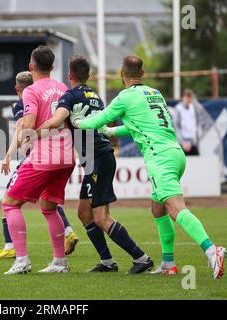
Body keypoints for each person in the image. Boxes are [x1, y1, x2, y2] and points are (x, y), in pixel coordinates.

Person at [70, 55, 227, 279]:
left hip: (159, 158)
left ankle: (212, 250)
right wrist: (113, 132)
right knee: (158, 208)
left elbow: (97, 120)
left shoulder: (124, 97)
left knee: (175, 208)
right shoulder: (155, 93)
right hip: (175, 153)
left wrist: (78, 123)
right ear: (142, 74)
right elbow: (141, 125)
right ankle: (168, 264)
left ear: (122, 75)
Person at [37, 55, 154, 274]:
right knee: (84, 213)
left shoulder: (70, 96)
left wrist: (32, 134)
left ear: (69, 75)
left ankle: (141, 257)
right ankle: (107, 262)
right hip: (97, 158)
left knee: (101, 217)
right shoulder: (95, 96)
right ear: (88, 76)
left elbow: (55, 120)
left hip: (98, 159)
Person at [1, 46, 75, 275]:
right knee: (49, 207)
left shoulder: (30, 91)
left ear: (31, 67)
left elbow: (29, 123)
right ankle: (59, 263)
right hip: (67, 156)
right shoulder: (63, 87)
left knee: (9, 203)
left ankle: (22, 260)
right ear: (52, 67)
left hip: (45, 157)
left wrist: (24, 135)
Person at [173, 89, 200, 155]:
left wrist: (194, 142)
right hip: (182, 144)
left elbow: (195, 126)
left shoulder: (193, 108)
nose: (188, 99)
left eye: (190, 97)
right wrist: (183, 142)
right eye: (187, 97)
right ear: (183, 97)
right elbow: (176, 127)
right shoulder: (178, 109)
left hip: (192, 143)